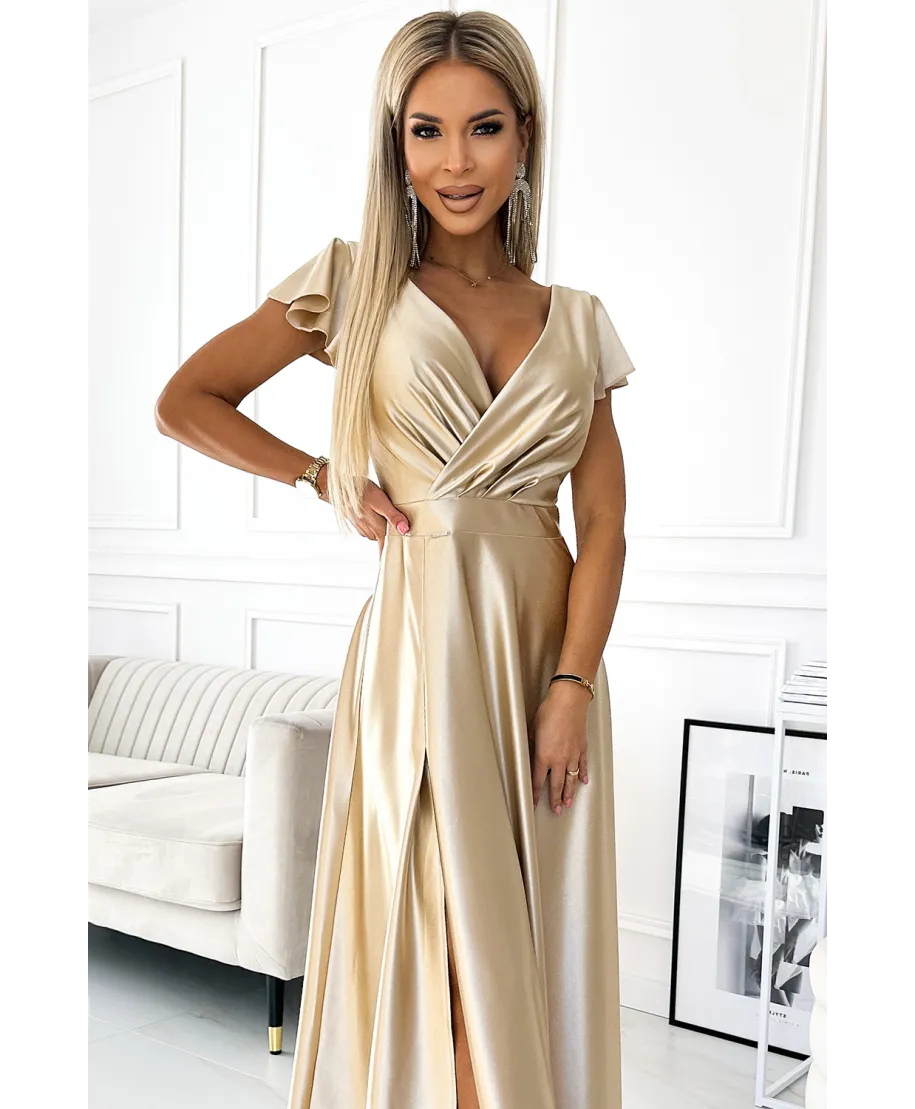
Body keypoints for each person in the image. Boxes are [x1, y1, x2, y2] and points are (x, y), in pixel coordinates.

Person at [154, 11, 635, 1109]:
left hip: (545, 658)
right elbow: (186, 400)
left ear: (525, 137)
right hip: (419, 655)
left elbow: (604, 523)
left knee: (524, 949)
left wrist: (570, 684)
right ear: (395, 142)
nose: (455, 162)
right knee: (448, 952)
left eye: (484, 128)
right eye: (427, 130)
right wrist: (320, 474)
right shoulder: (354, 282)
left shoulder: (577, 321)